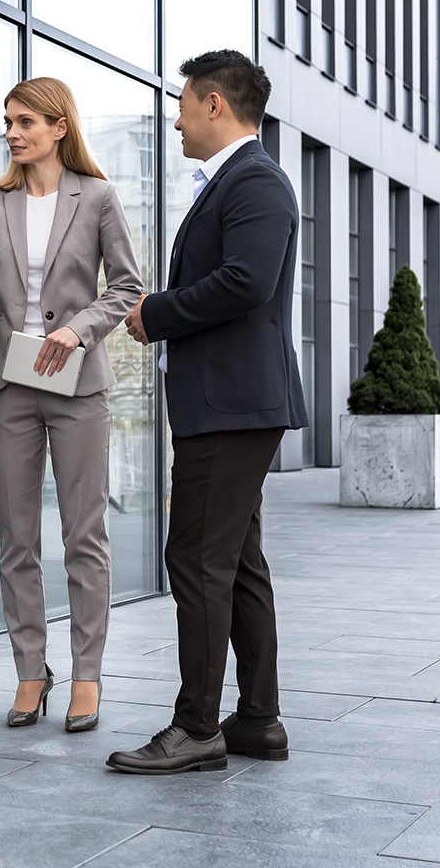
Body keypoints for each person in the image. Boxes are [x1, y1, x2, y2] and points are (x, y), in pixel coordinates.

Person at [107, 49, 307, 776]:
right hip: (227, 403)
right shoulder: (240, 181)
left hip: (228, 407)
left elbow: (246, 282)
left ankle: (196, 728)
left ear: (215, 105)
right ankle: (257, 719)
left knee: (194, 558)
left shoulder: (254, 182)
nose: (179, 121)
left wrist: (156, 313)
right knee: (236, 561)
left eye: (185, 107)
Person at [0, 77, 142, 732]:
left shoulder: (95, 196)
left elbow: (127, 287)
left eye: (25, 122)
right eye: (7, 121)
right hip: (6, 382)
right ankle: (30, 673)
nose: (12, 133)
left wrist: (78, 329)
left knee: (84, 535)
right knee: (16, 538)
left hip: (76, 383)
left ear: (59, 127)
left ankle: (87, 675)